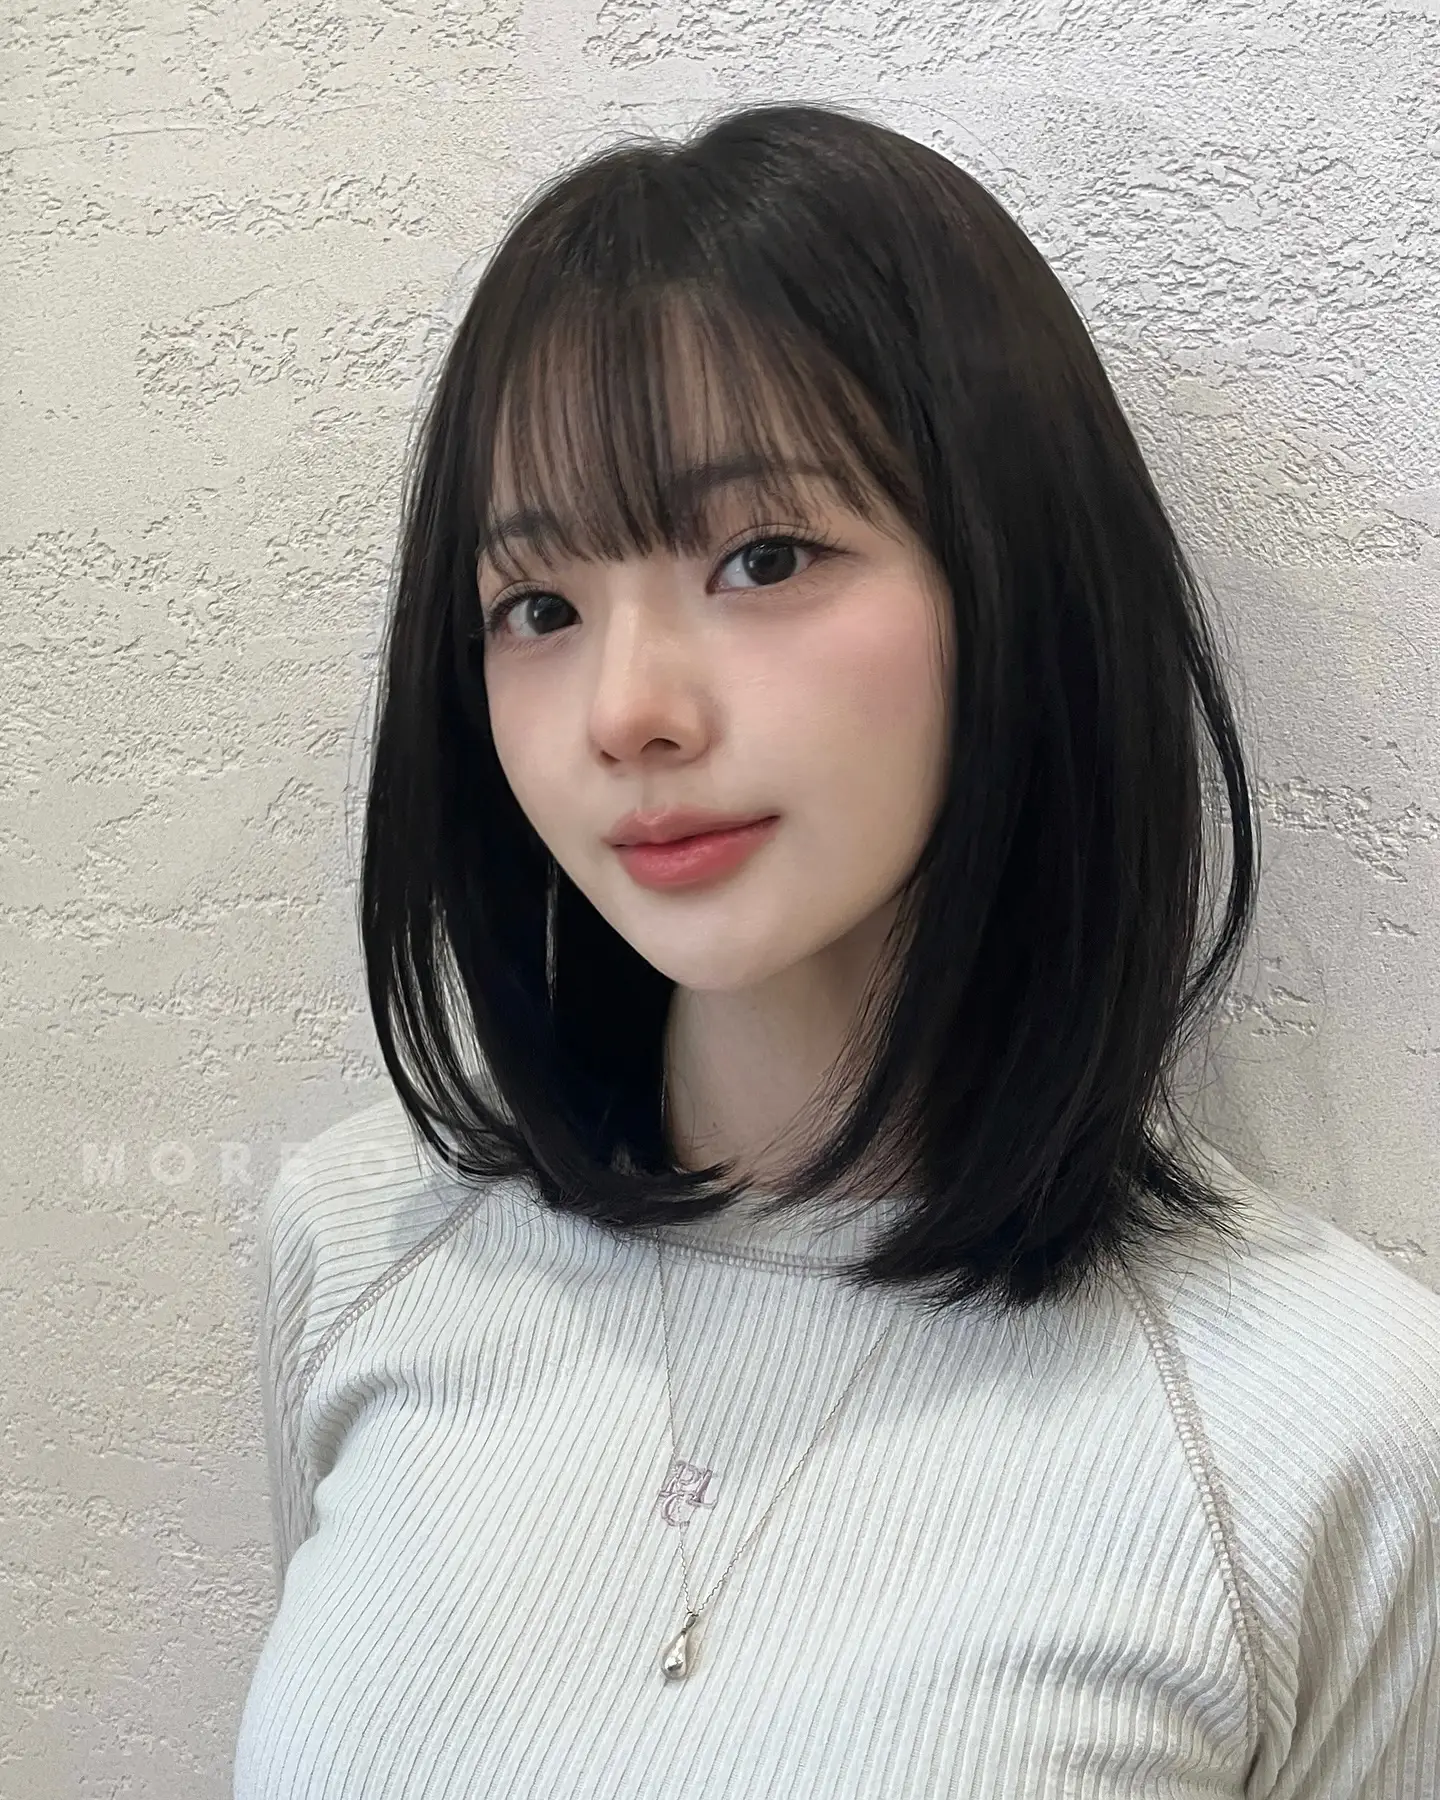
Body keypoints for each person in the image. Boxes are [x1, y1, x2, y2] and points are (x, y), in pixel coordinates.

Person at [232, 101, 1439, 1798]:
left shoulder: (1328, 1432)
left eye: (764, 557)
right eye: (538, 607)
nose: (627, 709)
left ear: (1018, 587)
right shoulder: (360, 1243)